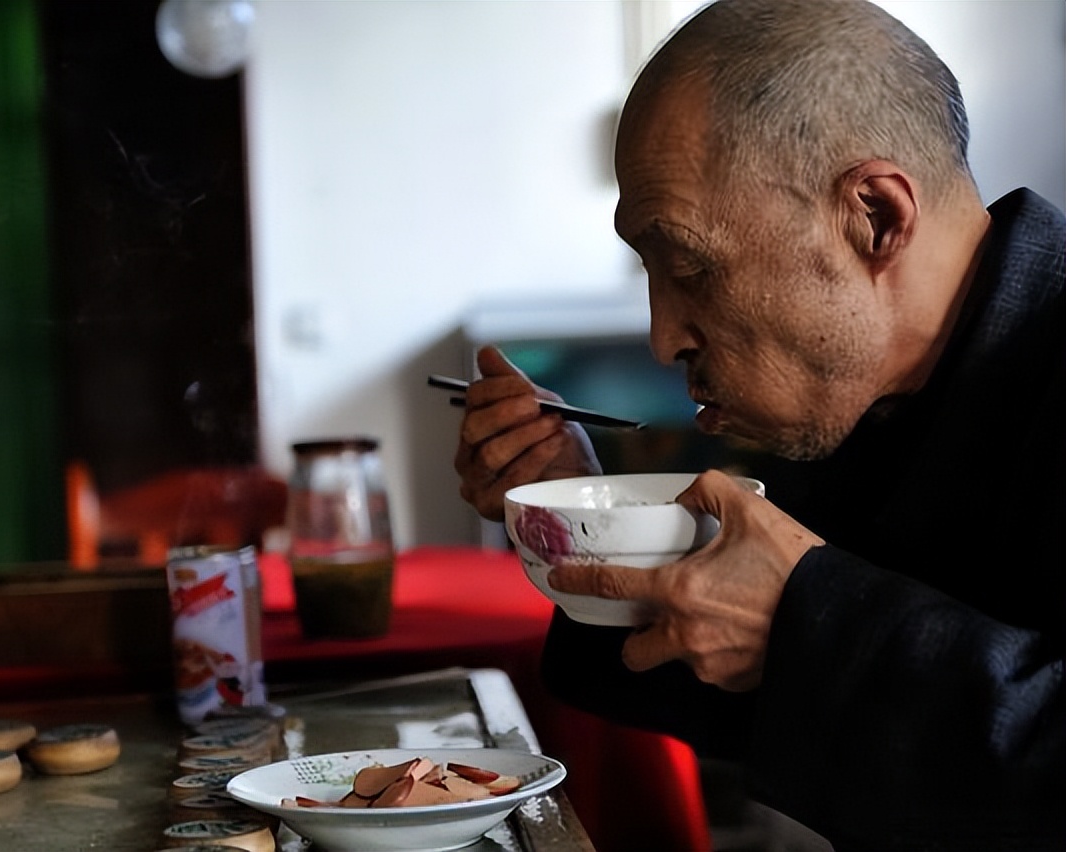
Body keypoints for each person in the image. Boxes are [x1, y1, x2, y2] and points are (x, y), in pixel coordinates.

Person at [450, 0, 1064, 849]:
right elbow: (763, 697)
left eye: (692, 267)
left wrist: (810, 626)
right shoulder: (859, 400)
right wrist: (588, 529)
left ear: (876, 217)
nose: (664, 337)